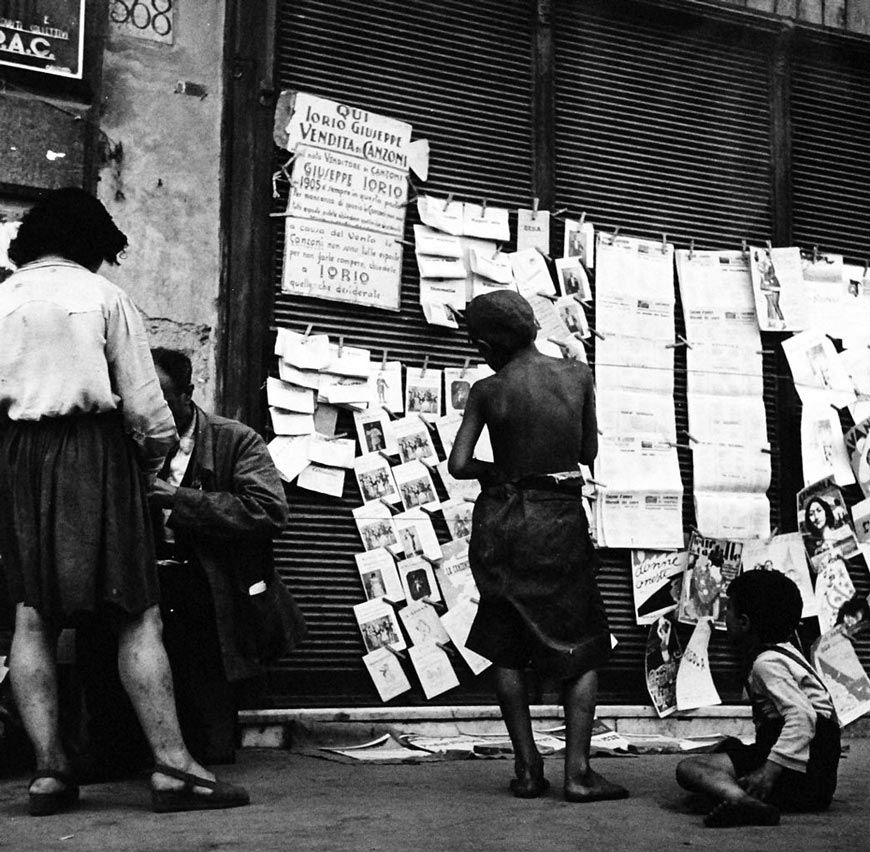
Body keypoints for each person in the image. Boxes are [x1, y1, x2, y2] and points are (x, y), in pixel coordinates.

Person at [0, 188, 247, 814]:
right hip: (95, 454)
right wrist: (150, 463)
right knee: (138, 614)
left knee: (33, 615)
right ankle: (173, 766)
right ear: (91, 243)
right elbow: (148, 410)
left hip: (16, 458)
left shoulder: (0, 299)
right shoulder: (105, 298)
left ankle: (50, 771)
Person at [80, 347, 306, 769]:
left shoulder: (235, 439)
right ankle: (119, 747)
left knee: (212, 749)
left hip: (205, 583)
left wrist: (180, 499)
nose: (149, 409)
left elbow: (270, 511)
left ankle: (188, 749)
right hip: (137, 578)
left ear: (188, 394)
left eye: (162, 398)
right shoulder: (121, 441)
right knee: (104, 628)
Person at [447, 289, 626, 803]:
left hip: (503, 519)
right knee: (583, 641)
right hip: (558, 520)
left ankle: (528, 771)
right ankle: (579, 773)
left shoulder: (488, 389)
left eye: (476, 341)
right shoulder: (578, 376)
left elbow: (460, 465)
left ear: (489, 342)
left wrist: (505, 471)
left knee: (506, 643)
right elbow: (588, 451)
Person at [675, 570, 840, 828]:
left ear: (744, 622)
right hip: (816, 778)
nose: (723, 617)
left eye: (728, 610)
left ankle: (742, 801)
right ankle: (740, 795)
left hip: (798, 776)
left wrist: (768, 773)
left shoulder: (767, 664)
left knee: (689, 768)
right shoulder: (786, 654)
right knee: (723, 751)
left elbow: (803, 716)